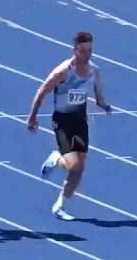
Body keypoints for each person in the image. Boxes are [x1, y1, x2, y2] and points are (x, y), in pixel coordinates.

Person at [26, 31, 111, 221]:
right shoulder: (63, 71)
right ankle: (57, 160)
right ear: (75, 50)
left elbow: (98, 94)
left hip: (80, 120)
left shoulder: (94, 71)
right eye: (83, 50)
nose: (88, 54)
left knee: (79, 170)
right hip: (62, 121)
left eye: (90, 50)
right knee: (74, 166)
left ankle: (60, 205)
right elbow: (43, 90)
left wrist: (103, 104)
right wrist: (32, 116)